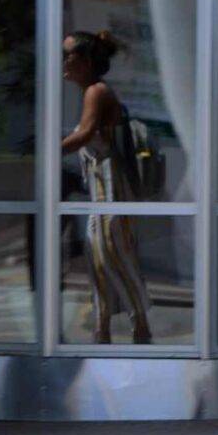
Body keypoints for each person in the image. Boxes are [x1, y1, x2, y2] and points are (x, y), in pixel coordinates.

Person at [61, 30, 152, 344]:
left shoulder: (97, 92)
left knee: (115, 252)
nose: (63, 62)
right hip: (102, 190)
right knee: (98, 255)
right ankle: (103, 327)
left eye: (68, 54)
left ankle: (139, 322)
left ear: (85, 61)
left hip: (113, 187)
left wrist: (50, 149)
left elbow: (86, 134)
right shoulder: (93, 91)